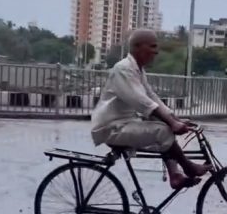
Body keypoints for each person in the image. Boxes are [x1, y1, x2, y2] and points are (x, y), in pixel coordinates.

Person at [91, 29, 212, 190]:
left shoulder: (137, 70)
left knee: (162, 124)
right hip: (111, 128)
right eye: (153, 46)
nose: (156, 51)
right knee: (162, 131)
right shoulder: (123, 69)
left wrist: (174, 120)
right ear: (138, 47)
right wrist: (171, 123)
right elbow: (141, 101)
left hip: (125, 123)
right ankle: (187, 167)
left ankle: (174, 175)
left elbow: (152, 97)